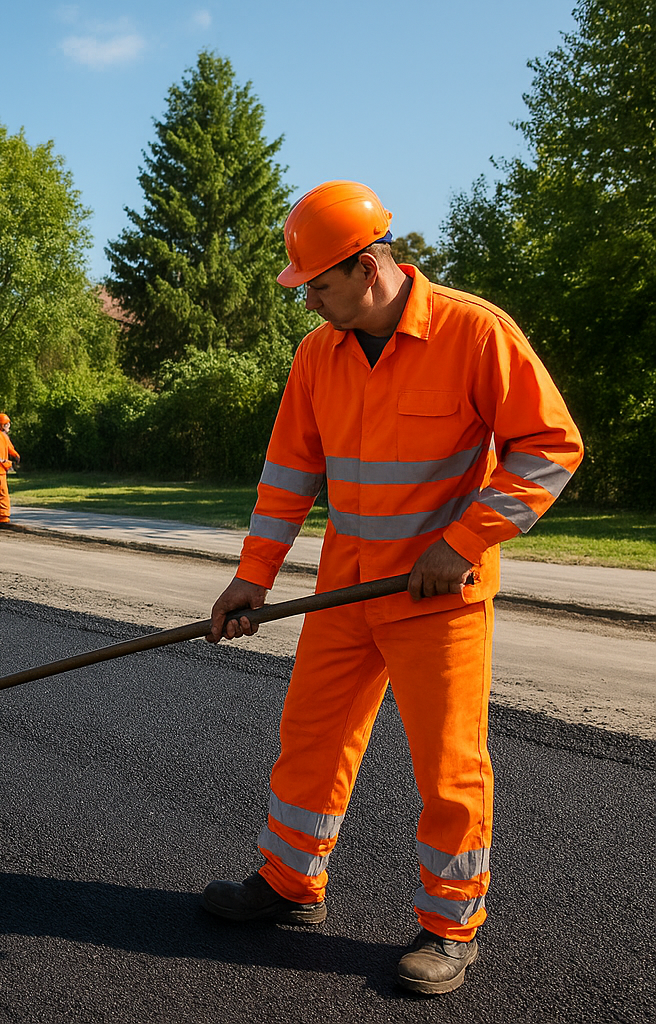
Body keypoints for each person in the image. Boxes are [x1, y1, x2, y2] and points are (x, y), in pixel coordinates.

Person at [201, 181, 582, 996]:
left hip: (437, 601)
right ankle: (291, 884)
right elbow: (287, 479)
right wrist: (251, 579)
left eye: (318, 285)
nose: (309, 301)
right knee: (310, 739)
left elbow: (550, 448)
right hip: (345, 591)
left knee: (449, 769)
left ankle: (450, 928)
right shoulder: (319, 355)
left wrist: (464, 540)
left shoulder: (473, 333)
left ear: (368, 265)